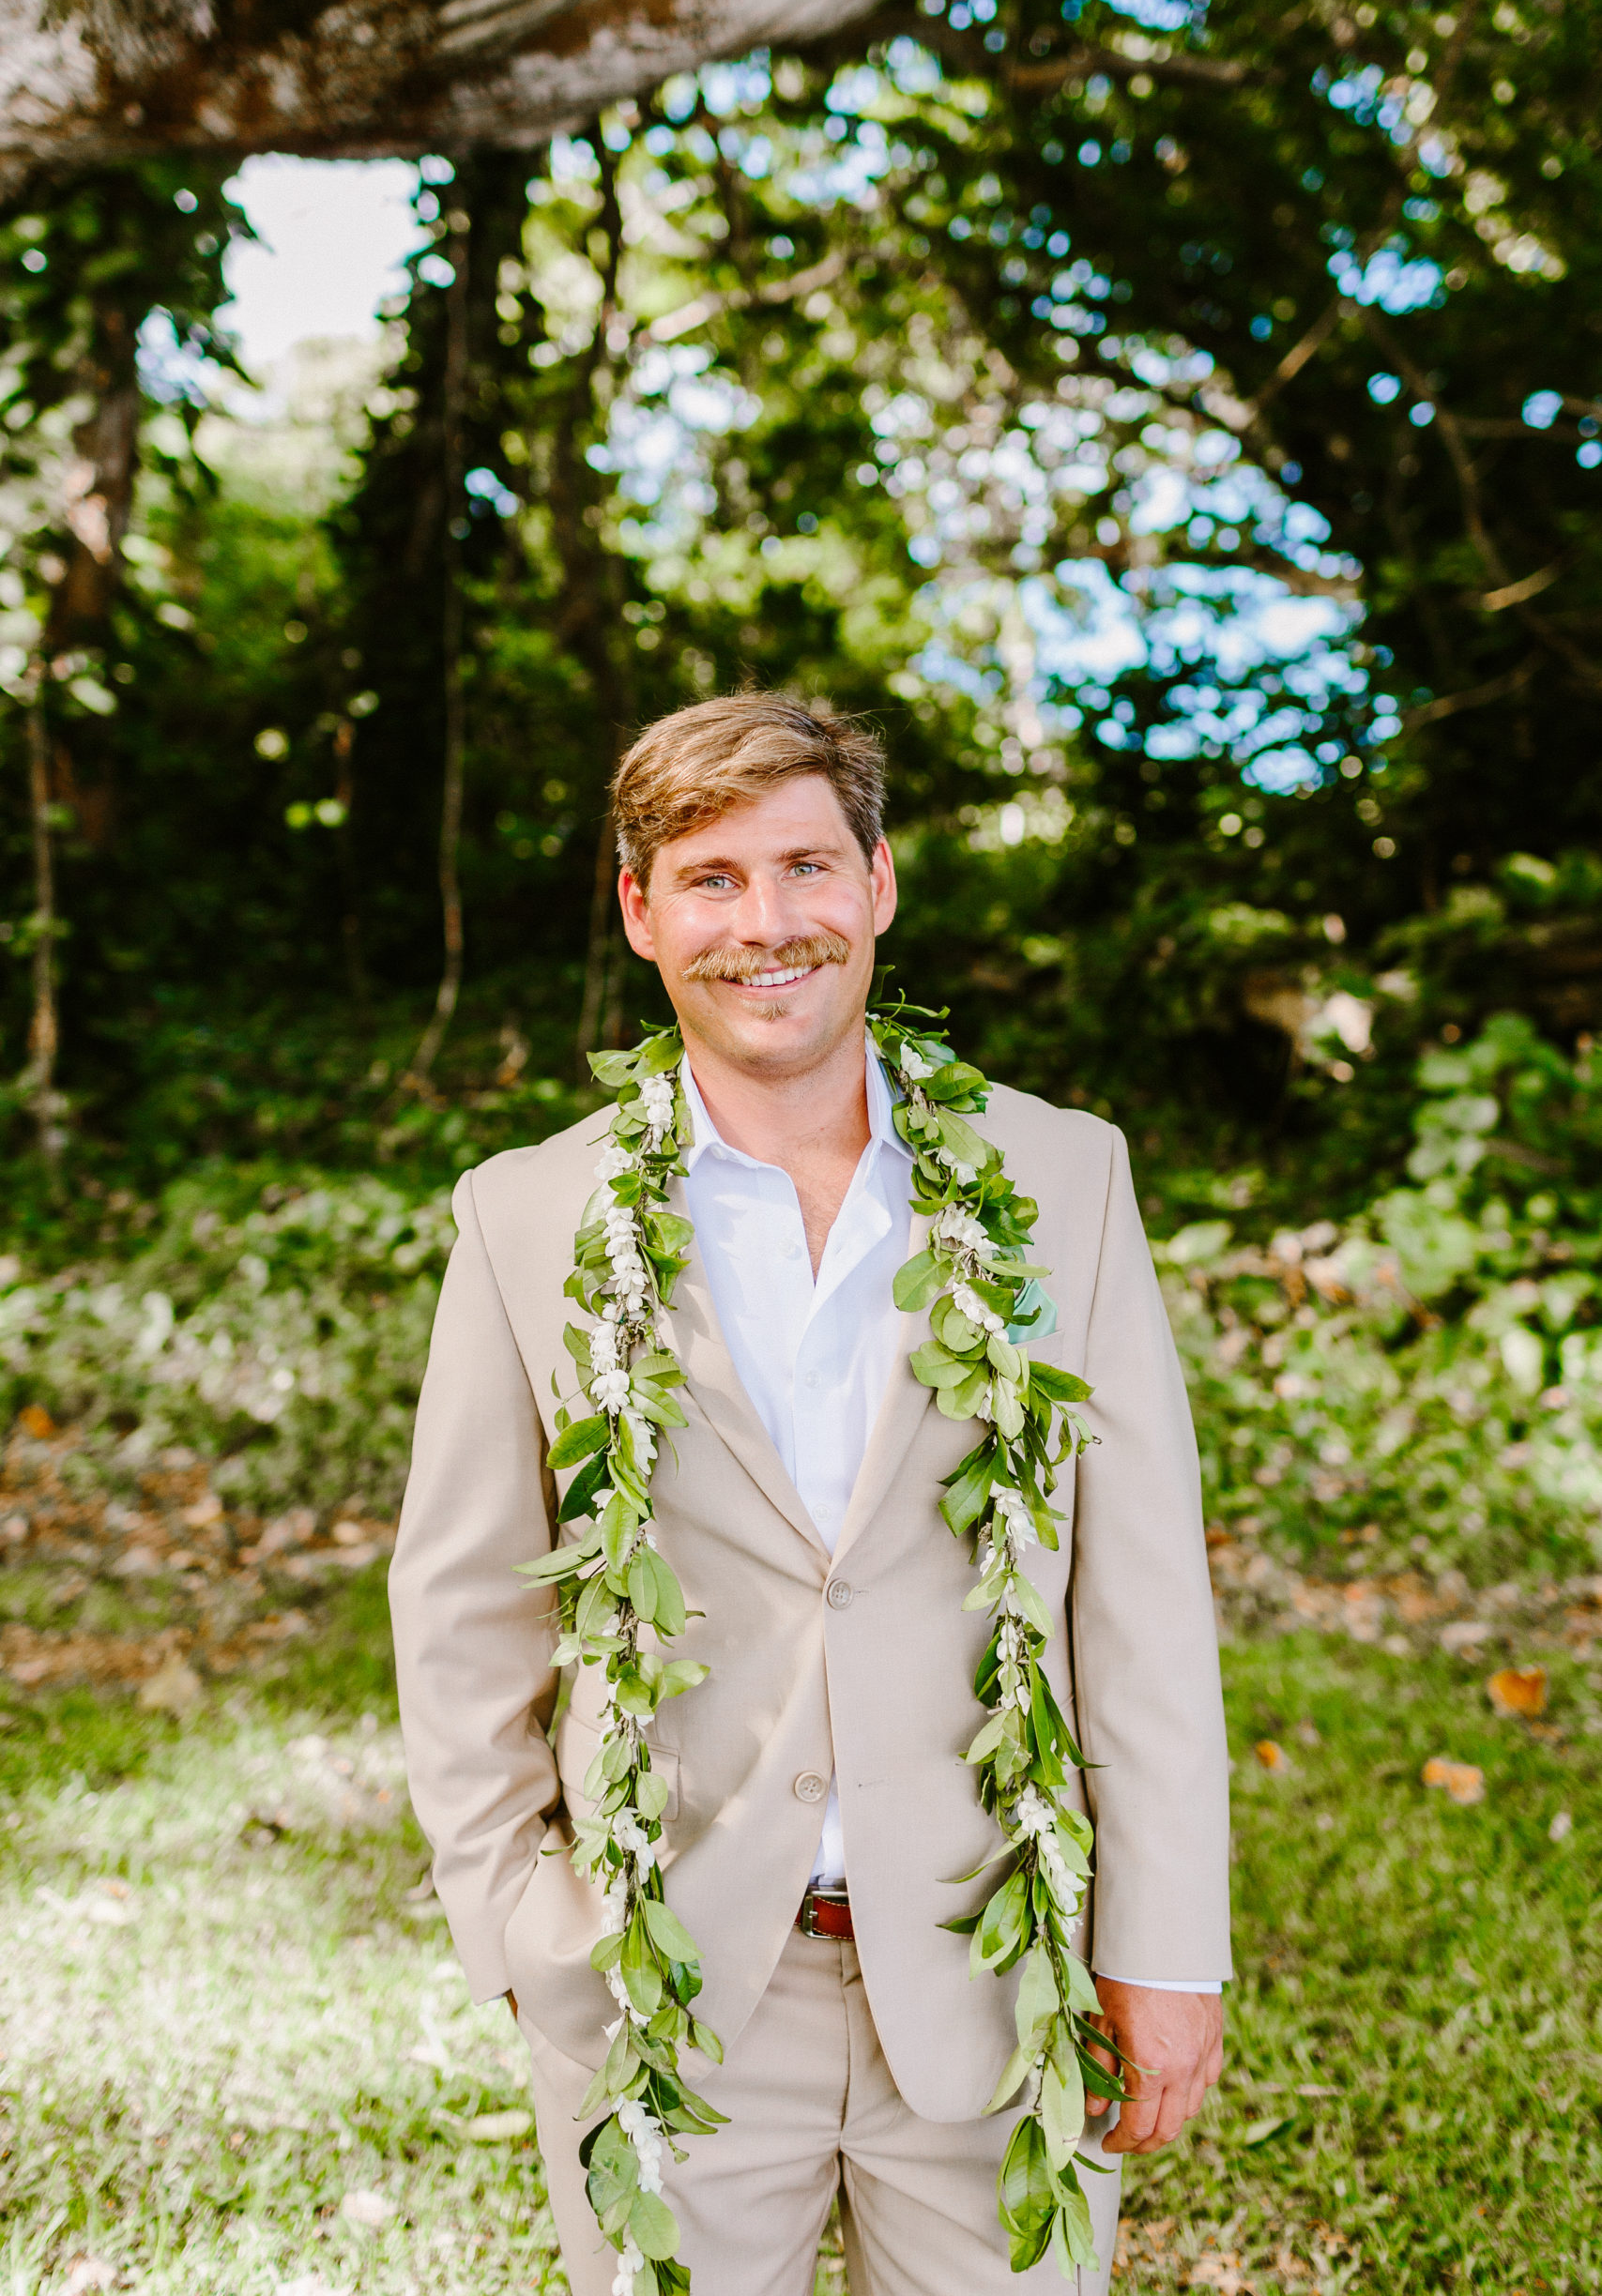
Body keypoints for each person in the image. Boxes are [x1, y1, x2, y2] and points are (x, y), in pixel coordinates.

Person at [389, 693, 1230, 2296]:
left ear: (880, 884)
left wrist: (1166, 1944)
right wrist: (526, 1943)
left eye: (803, 867)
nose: (765, 923)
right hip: (671, 1989)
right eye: (710, 879)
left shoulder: (1063, 1180)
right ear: (639, 912)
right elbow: (464, 1606)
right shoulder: (526, 1216)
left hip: (1001, 1973)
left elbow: (1138, 1597)